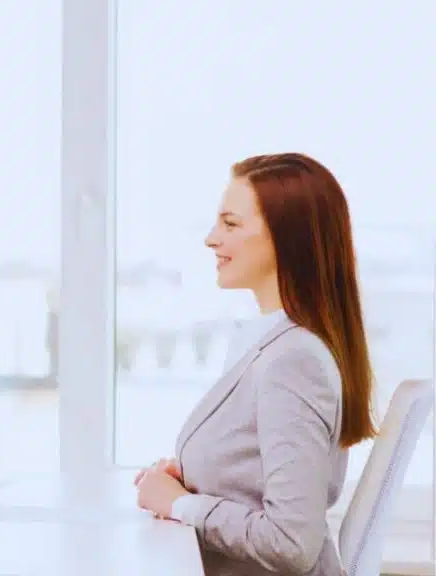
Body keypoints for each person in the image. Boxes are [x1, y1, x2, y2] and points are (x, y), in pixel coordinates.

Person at [134, 153, 376, 576]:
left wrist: (179, 503)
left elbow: (289, 543)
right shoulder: (275, 345)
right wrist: (192, 481)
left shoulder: (295, 361)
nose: (211, 239)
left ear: (286, 238)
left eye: (230, 224)